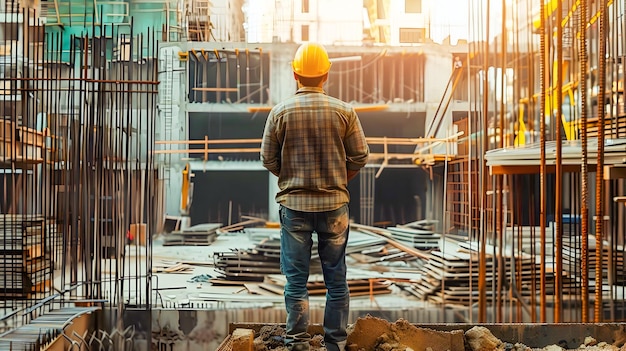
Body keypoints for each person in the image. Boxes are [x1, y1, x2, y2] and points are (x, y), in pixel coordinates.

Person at [260, 42, 369, 351]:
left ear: (295, 74)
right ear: (327, 74)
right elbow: (360, 155)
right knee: (336, 280)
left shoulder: (280, 112)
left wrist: (292, 179)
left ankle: (297, 343)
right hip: (335, 207)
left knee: (296, 283)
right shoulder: (344, 111)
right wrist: (339, 179)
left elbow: (268, 159)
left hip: (294, 208)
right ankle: (335, 344)